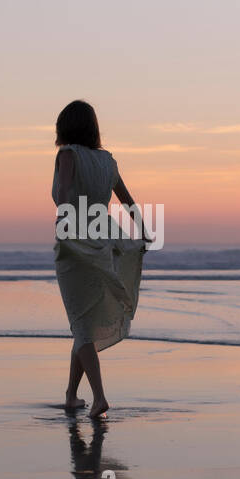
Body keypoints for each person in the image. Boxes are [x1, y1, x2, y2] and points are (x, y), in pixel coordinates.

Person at [51, 100, 148, 418]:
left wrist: (64, 220)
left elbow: (64, 190)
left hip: (77, 240)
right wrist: (144, 231)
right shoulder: (107, 160)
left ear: (65, 127)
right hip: (104, 238)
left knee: (81, 324)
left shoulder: (68, 154)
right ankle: (70, 395)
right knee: (85, 322)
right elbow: (127, 199)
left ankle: (99, 398)